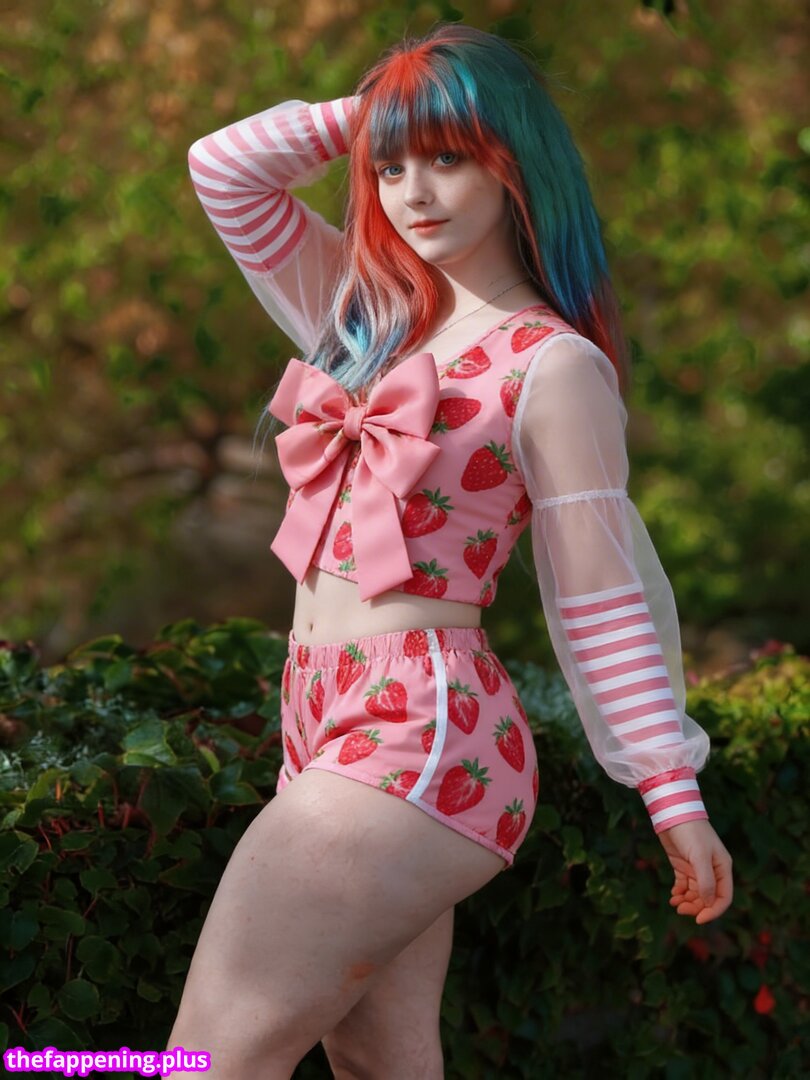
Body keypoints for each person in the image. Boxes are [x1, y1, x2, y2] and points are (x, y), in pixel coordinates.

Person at [172, 23, 733, 1080]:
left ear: (513, 161)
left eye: (448, 156)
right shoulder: (362, 316)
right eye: (390, 166)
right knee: (377, 1062)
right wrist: (383, 106)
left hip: (420, 728)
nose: (413, 191)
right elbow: (223, 171)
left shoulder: (554, 365)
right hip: (317, 710)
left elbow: (601, 593)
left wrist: (670, 789)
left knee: (207, 1058)